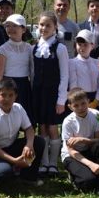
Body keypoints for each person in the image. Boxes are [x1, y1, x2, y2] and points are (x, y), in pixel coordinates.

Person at [0, 78, 45, 185]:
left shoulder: (18, 108)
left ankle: (28, 177)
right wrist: (14, 161)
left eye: (11, 95)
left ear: (16, 96)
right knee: (4, 170)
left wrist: (29, 145)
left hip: (11, 146)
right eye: (3, 95)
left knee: (38, 142)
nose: (7, 99)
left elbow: (29, 128)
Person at [32, 11, 69, 176]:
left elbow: (65, 75)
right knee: (42, 127)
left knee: (52, 127)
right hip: (38, 93)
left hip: (53, 94)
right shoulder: (34, 47)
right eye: (41, 24)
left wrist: (61, 100)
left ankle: (53, 163)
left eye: (48, 25)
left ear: (55, 27)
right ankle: (44, 162)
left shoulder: (60, 48)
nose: (44, 28)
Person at [61, 88, 99, 192]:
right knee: (88, 182)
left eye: (83, 103)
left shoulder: (96, 114)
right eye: (76, 105)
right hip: (73, 156)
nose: (81, 108)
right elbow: (71, 151)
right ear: (70, 107)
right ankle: (75, 177)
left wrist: (84, 140)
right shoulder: (68, 122)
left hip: (88, 150)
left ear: (88, 101)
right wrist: (90, 164)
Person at [0, 14, 33, 120]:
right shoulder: (3, 49)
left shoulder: (29, 48)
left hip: (24, 86)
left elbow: (32, 70)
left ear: (23, 29)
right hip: (8, 87)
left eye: (15, 26)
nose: (11, 29)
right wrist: (1, 92)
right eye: (8, 26)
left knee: (25, 117)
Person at [68, 30, 99, 107]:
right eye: (79, 44)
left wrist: (97, 100)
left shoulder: (97, 62)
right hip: (80, 99)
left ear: (92, 46)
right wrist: (78, 102)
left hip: (96, 98)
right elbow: (73, 85)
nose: (82, 48)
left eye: (85, 45)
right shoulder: (72, 62)